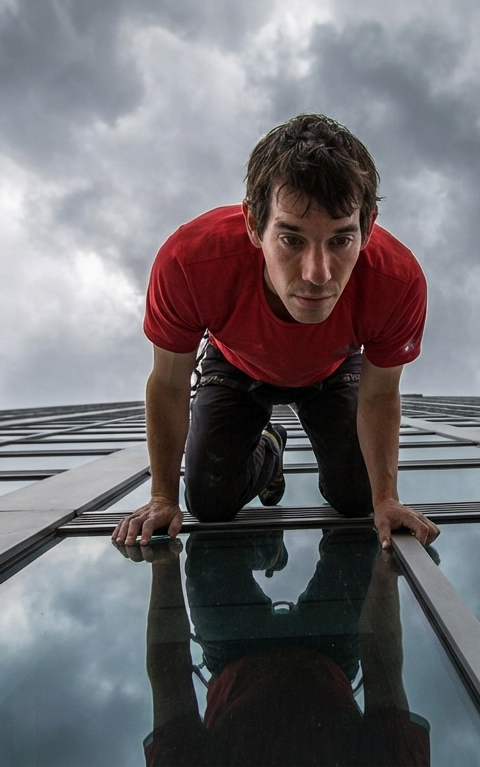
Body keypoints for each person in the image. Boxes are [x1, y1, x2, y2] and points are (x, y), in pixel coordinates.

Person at [111, 114, 439, 550]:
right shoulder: (189, 262)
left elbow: (380, 394)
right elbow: (170, 383)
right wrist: (161, 498)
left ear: (368, 227)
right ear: (253, 224)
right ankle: (270, 442)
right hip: (236, 365)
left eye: (341, 240)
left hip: (332, 369)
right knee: (209, 503)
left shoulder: (397, 281)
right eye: (292, 240)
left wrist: (387, 500)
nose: (318, 274)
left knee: (358, 500)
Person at [118, 530, 430, 766]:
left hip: (235, 652)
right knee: (358, 541)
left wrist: (162, 557)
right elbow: (383, 673)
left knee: (212, 545)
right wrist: (384, 574)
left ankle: (270, 548)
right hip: (327, 653)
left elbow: (170, 678)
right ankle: (275, 543)